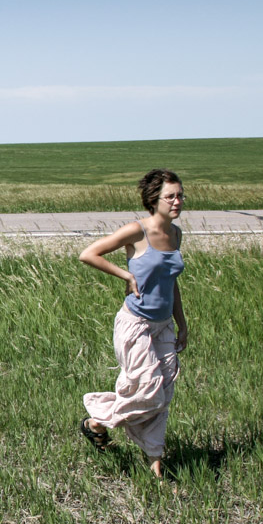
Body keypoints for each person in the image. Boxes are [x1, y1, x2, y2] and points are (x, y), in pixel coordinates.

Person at [78, 169, 188, 478]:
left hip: (164, 325)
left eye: (180, 195)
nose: (178, 201)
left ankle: (155, 465)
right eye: (171, 196)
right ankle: (96, 422)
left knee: (163, 395)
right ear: (155, 200)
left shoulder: (176, 234)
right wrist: (126, 275)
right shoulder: (137, 231)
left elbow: (171, 283)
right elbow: (89, 254)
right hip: (136, 324)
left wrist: (182, 323)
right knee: (149, 390)